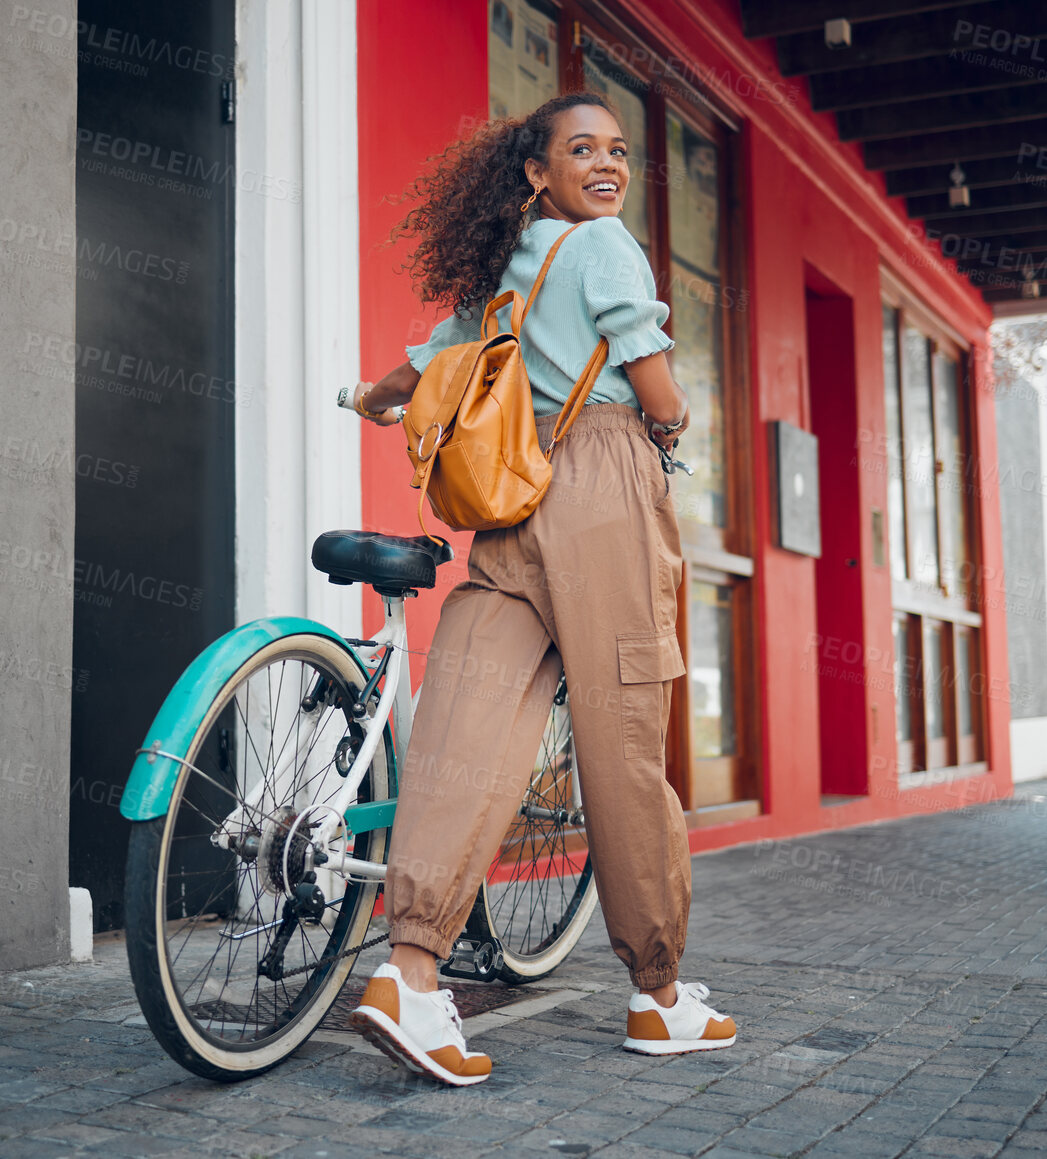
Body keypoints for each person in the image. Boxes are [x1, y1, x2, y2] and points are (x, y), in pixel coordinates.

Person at [344, 91, 736, 1087]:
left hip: (509, 511)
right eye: (582, 149)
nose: (607, 166)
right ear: (537, 172)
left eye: (616, 150)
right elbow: (656, 391)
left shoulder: (501, 278)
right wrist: (677, 415)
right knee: (624, 743)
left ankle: (412, 972)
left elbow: (410, 377)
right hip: (603, 491)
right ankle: (658, 993)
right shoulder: (605, 248)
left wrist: (364, 398)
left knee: (466, 735)